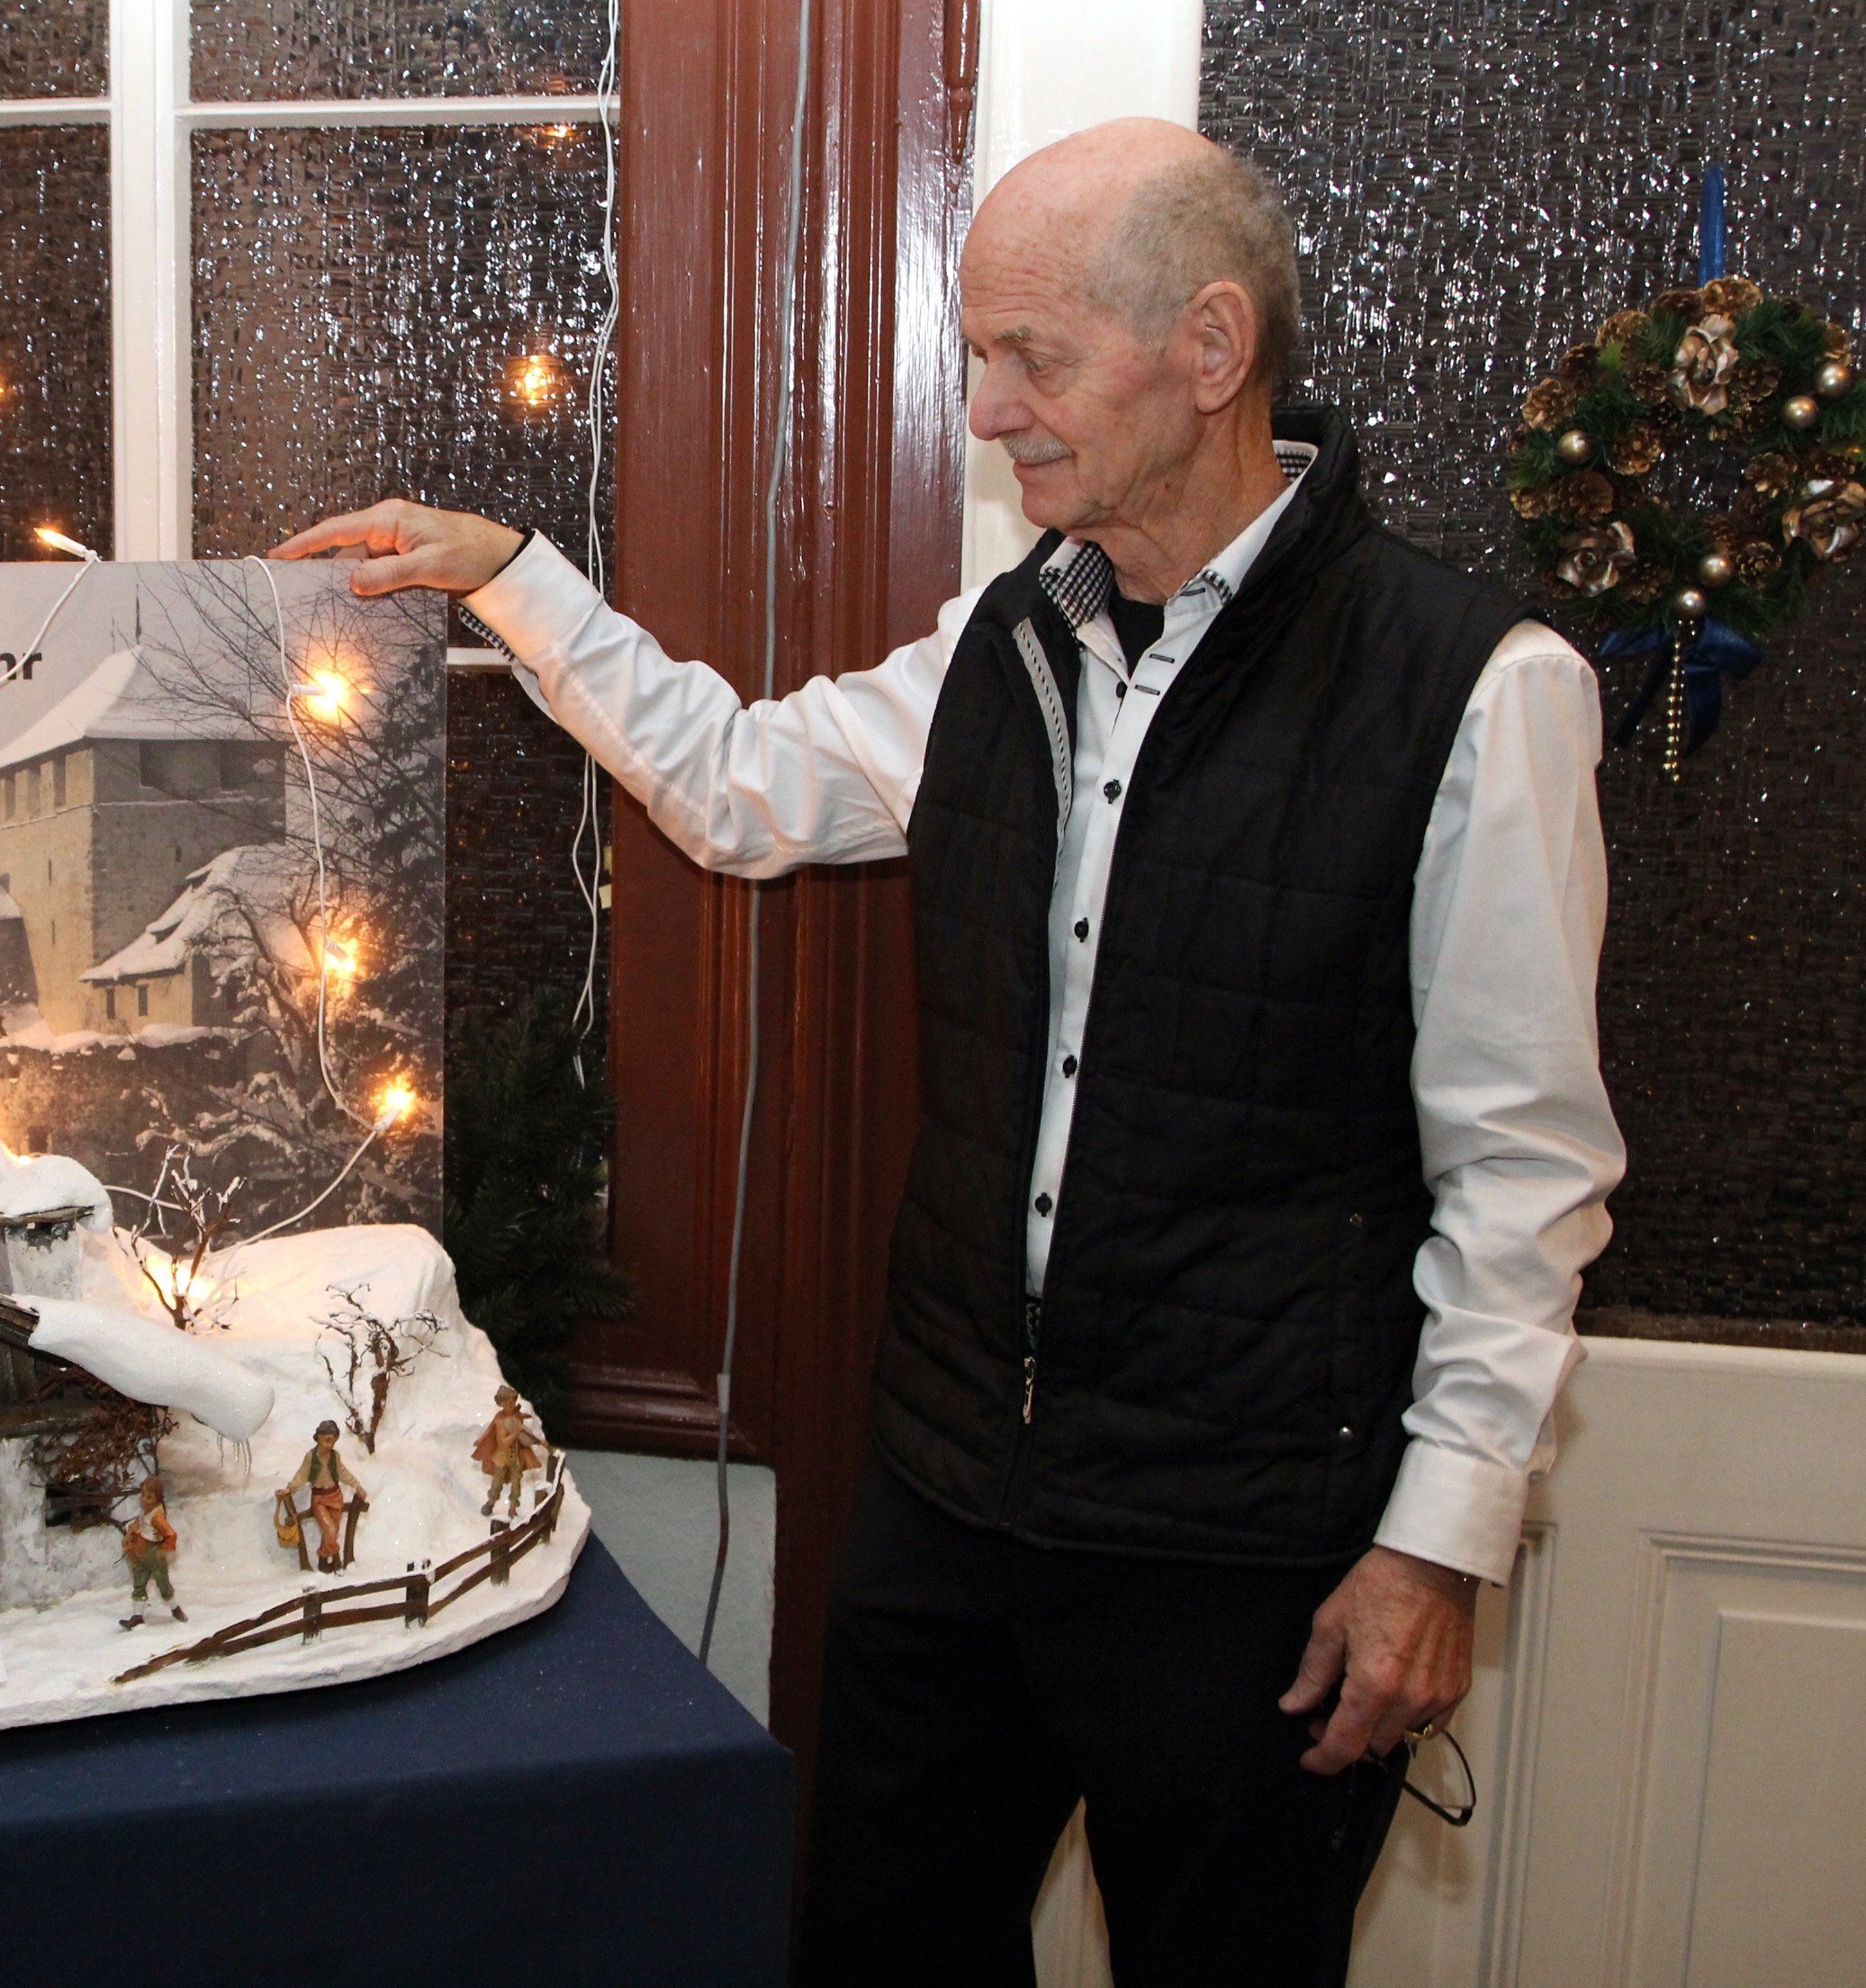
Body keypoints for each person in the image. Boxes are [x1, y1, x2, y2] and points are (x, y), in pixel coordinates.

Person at [275, 118, 1622, 1984]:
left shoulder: (1478, 686)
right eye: (981, 354)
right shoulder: (1007, 643)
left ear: (1211, 348)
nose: (988, 410)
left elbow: (1523, 1175)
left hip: (1250, 1554)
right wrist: (511, 572)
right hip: (947, 1510)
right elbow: (738, 785)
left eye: (1031, 357)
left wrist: (1437, 1545)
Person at [285, 1420, 368, 1573]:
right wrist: (290, 1487)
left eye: (332, 1441)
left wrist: (357, 1486)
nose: (329, 1445)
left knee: (333, 1531)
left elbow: (343, 1473)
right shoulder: (311, 1457)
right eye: (326, 1440)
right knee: (330, 1529)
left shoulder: (335, 1456)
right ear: (318, 1438)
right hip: (320, 1499)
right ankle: (336, 1559)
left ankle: (323, 1561)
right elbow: (302, 1475)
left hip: (336, 1497)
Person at [118, 1475, 185, 1629]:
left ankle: (175, 1608)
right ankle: (137, 1616)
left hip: (154, 1554)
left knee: (163, 1584)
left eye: (149, 1497)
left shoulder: (157, 1517)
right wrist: (132, 1532)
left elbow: (171, 1534)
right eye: (143, 1494)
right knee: (139, 1582)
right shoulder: (147, 1512)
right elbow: (140, 1524)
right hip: (142, 1552)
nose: (144, 1499)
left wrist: (164, 1549)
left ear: (157, 1498)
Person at [473, 1384, 545, 1517]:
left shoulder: (516, 1416)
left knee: (516, 1484)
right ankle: (491, 1502)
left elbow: (525, 1434)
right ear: (501, 1404)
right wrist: (516, 1433)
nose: (511, 1406)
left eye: (513, 1403)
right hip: (502, 1458)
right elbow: (503, 1442)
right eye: (507, 1404)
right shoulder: (500, 1420)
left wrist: (538, 1441)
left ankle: (512, 1508)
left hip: (516, 1458)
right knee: (497, 1483)